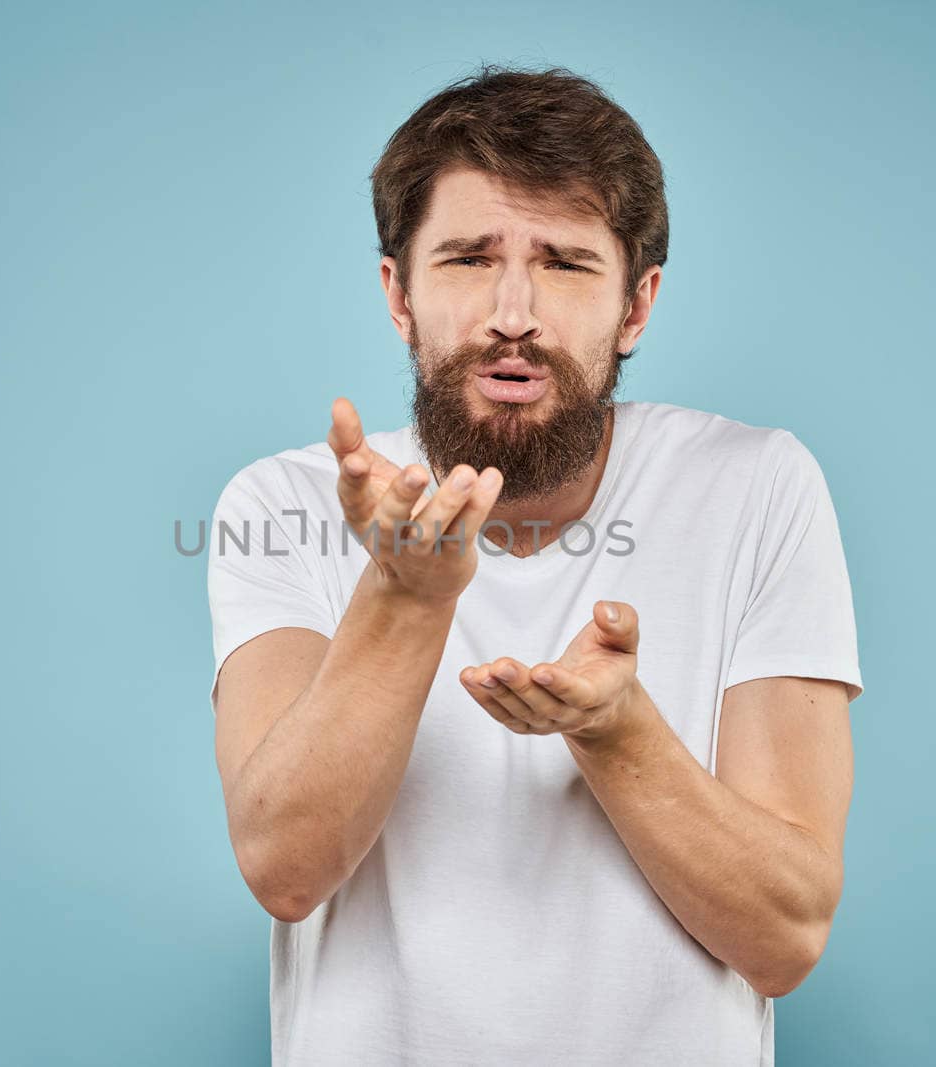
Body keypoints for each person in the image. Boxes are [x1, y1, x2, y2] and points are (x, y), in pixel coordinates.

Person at [205, 64, 863, 1066]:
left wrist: (614, 730)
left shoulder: (757, 487)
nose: (513, 311)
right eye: (468, 257)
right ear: (399, 294)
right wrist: (405, 595)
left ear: (636, 306)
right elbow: (286, 867)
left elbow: (785, 936)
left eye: (564, 263)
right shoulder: (284, 504)